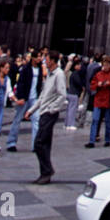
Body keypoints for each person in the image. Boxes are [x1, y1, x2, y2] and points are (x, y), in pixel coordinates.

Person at [25, 50, 67, 184]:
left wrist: (51, 109)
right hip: (43, 112)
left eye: (47, 59)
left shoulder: (59, 74)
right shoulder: (49, 74)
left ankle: (47, 170)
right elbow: (43, 95)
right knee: (44, 144)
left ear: (53, 61)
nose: (45, 62)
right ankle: (45, 174)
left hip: (49, 114)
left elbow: (62, 95)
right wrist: (31, 110)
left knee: (39, 143)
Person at [5, 50, 42, 152]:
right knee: (17, 119)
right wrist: (20, 97)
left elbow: (39, 85)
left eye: (41, 57)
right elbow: (20, 83)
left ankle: (35, 145)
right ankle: (11, 143)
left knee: (36, 121)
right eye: (38, 57)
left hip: (34, 99)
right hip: (24, 98)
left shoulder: (39, 70)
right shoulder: (26, 69)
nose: (40, 59)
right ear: (33, 58)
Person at [85, 55, 110, 148]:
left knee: (108, 121)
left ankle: (107, 140)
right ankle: (91, 141)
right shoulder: (98, 74)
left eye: (107, 65)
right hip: (98, 99)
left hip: (108, 99)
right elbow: (92, 85)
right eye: (104, 65)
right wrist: (98, 84)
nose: (105, 67)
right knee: (95, 120)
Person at [65, 58, 85, 129]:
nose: (80, 66)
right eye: (78, 65)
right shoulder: (75, 73)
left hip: (70, 92)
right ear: (75, 66)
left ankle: (67, 123)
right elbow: (78, 83)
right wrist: (82, 87)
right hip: (74, 93)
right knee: (72, 110)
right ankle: (71, 124)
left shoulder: (72, 73)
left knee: (69, 109)